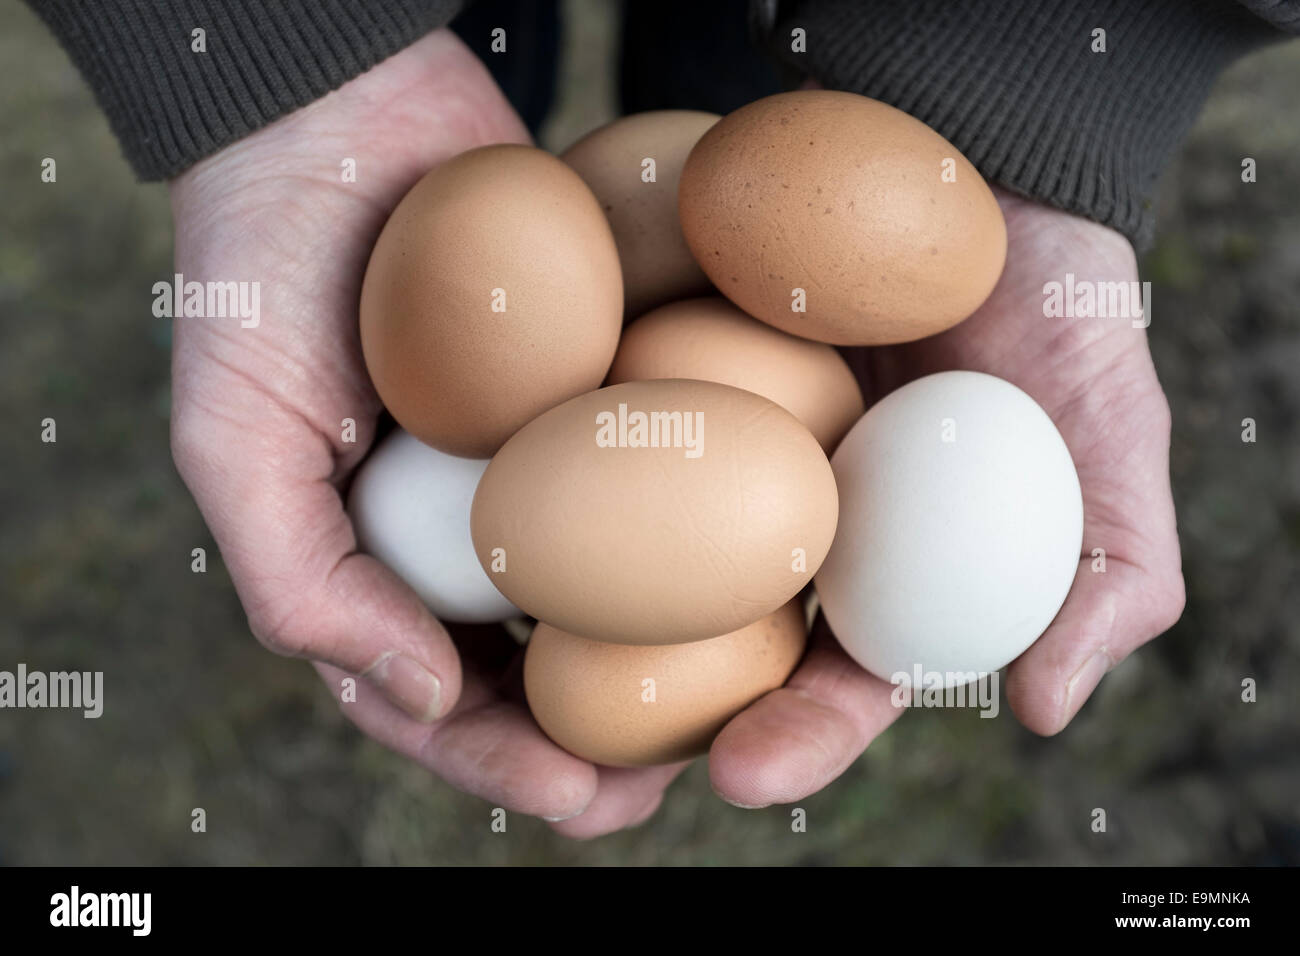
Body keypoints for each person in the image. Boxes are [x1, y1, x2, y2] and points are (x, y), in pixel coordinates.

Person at [27, 0, 1298, 838]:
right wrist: (282, 58)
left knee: (732, 110)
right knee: (592, 164)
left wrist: (1054, 53)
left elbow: (755, 216)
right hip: (573, 237)